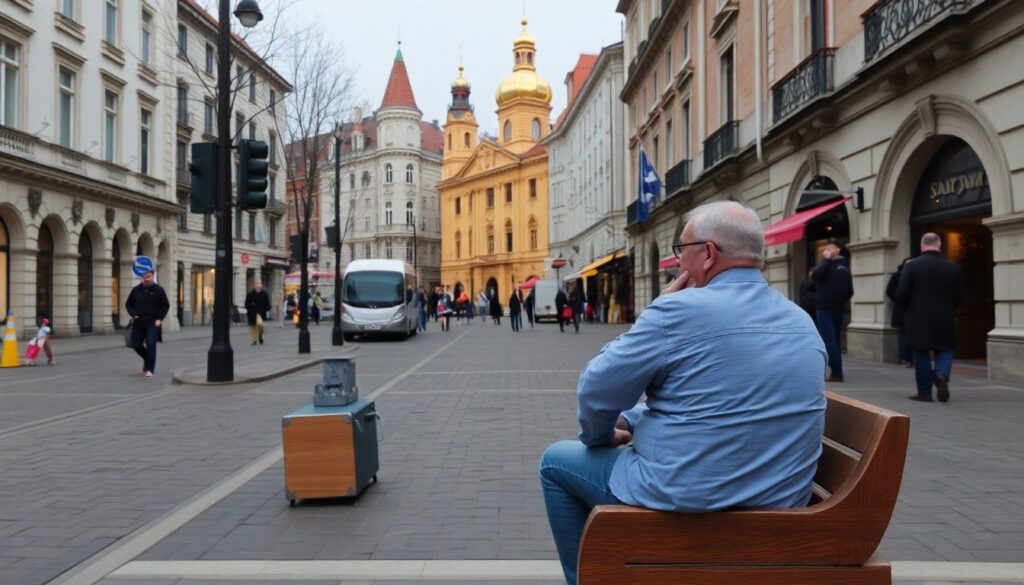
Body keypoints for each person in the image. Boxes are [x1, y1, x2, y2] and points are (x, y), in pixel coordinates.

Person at [538, 201, 826, 585]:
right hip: (778, 503)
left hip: (690, 498)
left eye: (681, 252)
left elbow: (596, 388)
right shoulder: (801, 321)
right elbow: (712, 399)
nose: (677, 265)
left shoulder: (677, 310)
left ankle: (585, 579)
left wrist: (600, 436)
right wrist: (632, 419)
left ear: (707, 254)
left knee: (555, 462)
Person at [895, 233, 963, 403]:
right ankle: (941, 374)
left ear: (922, 245)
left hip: (918, 318)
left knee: (920, 350)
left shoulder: (912, 266)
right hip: (945, 317)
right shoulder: (952, 267)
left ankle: (924, 392)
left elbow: (901, 293)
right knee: (946, 349)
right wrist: (949, 309)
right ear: (939, 245)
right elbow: (959, 296)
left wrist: (908, 309)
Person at [811, 243, 853, 382]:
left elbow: (816, 275)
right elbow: (849, 291)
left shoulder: (827, 266)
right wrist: (840, 301)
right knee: (834, 339)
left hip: (824, 307)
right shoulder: (845, 267)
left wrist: (826, 260)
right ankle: (837, 370)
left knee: (828, 339)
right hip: (838, 307)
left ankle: (836, 372)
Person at [125, 270, 170, 378]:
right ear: (142, 278)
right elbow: (128, 304)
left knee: (150, 344)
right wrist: (134, 314)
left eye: (148, 277)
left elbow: (165, 305)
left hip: (153, 322)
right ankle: (146, 357)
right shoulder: (136, 290)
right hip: (139, 322)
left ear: (152, 277)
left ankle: (150, 369)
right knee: (135, 344)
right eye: (144, 277)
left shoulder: (159, 290)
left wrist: (160, 318)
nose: (146, 279)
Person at [885, 258, 914, 367]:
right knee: (903, 335)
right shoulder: (897, 275)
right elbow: (889, 290)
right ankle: (903, 357)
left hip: (913, 310)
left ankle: (910, 359)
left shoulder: (915, 275)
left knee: (910, 334)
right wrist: (898, 300)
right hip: (901, 309)